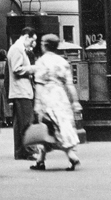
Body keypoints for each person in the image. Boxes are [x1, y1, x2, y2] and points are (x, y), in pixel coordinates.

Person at [29, 34, 82, 171]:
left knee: (47, 126)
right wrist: (75, 101)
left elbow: (39, 84)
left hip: (48, 96)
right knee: (61, 124)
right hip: (61, 95)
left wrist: (38, 104)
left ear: (45, 45)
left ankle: (71, 155)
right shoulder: (62, 61)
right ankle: (40, 160)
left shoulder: (41, 62)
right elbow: (70, 84)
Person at [8, 26, 38, 160]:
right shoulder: (17, 49)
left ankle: (20, 151)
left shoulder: (17, 49)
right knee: (27, 121)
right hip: (22, 90)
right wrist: (33, 68)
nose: (33, 44)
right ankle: (29, 150)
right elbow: (17, 69)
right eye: (32, 41)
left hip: (19, 91)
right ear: (26, 37)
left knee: (19, 123)